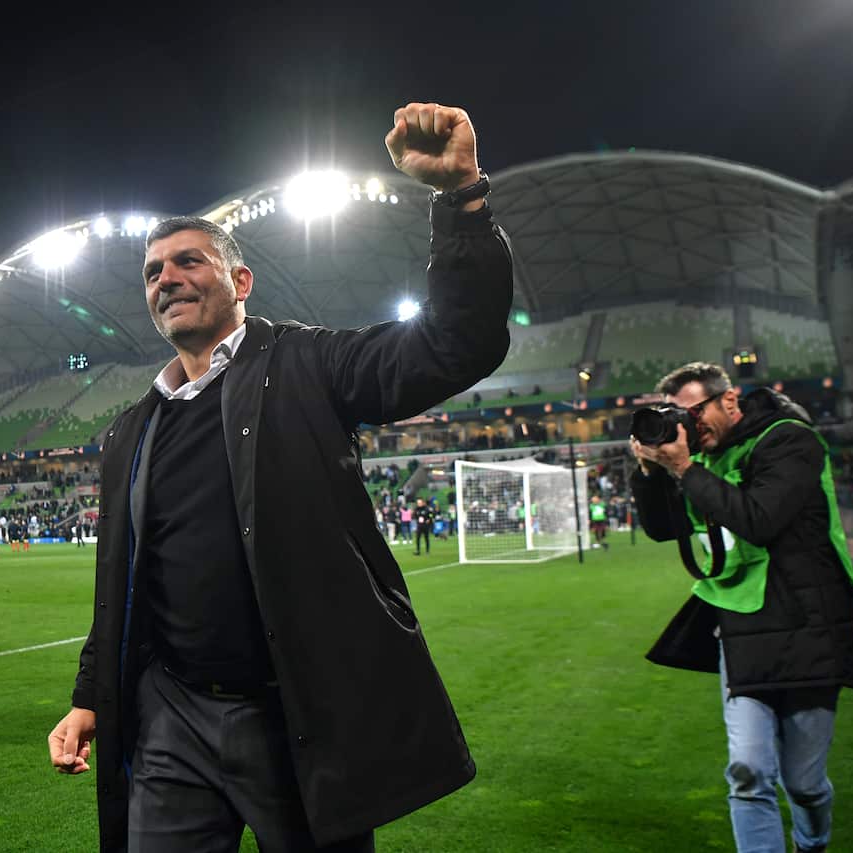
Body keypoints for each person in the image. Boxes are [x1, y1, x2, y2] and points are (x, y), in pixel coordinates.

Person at [47, 102, 513, 851]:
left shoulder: (308, 363)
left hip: (293, 714)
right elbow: (120, 579)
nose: (167, 278)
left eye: (188, 260)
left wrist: (460, 200)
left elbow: (457, 344)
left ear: (241, 277)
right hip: (171, 716)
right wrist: (87, 698)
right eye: (152, 272)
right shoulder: (131, 429)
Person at [630, 362, 853, 853]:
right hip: (741, 630)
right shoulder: (705, 458)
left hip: (810, 628)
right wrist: (651, 472)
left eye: (693, 413)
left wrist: (685, 468)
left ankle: (811, 841)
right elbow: (664, 528)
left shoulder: (790, 440)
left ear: (729, 400)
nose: (689, 426)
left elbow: (759, 518)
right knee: (749, 771)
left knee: (804, 783)